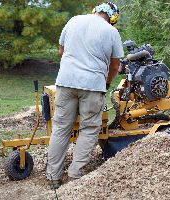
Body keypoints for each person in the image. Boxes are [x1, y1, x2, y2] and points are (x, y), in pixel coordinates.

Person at [46, 2, 124, 189]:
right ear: (113, 18)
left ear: (95, 11)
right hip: (93, 85)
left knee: (60, 128)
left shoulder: (73, 21)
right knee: (89, 129)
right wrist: (106, 82)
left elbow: (61, 51)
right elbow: (115, 66)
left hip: (65, 83)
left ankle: (53, 177)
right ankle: (75, 176)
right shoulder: (112, 32)